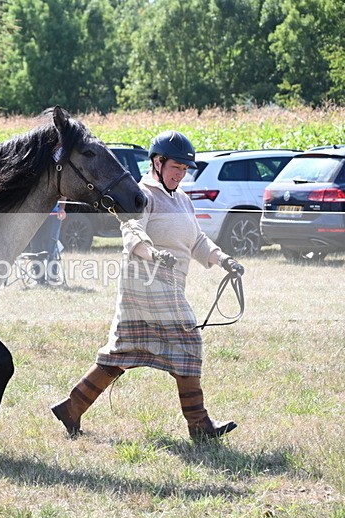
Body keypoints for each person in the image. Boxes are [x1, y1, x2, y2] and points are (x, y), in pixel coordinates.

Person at [50, 131, 245, 442]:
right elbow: (132, 232)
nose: (180, 175)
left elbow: (196, 240)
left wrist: (224, 259)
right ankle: (200, 425)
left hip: (168, 284)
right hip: (146, 283)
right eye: (175, 168)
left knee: (122, 352)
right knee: (189, 342)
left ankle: (71, 408)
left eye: (184, 170)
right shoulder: (143, 194)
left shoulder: (181, 198)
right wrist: (153, 253)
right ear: (157, 162)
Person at [26, 197, 67, 284]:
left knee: (51, 247)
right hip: (34, 217)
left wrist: (61, 208)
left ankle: (52, 278)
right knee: (35, 247)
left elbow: (63, 194)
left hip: (53, 216)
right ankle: (39, 279)